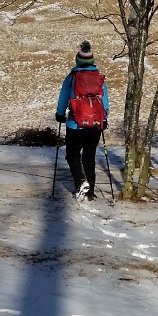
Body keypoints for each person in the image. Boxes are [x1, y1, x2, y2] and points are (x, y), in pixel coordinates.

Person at [55, 40, 108, 200]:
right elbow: (105, 102)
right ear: (92, 61)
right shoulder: (99, 79)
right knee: (89, 156)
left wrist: (59, 114)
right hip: (95, 126)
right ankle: (90, 191)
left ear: (77, 60)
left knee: (72, 154)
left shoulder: (71, 78)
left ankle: (81, 181)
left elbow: (63, 98)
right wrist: (104, 119)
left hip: (75, 124)